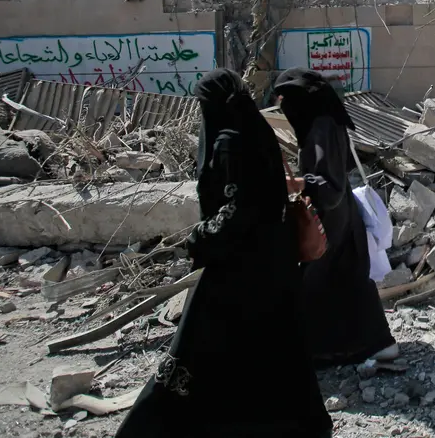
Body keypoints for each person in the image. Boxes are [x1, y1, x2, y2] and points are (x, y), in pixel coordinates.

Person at [115, 68, 332, 438]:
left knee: (196, 346)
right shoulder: (256, 130)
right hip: (273, 265)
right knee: (276, 347)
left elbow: (239, 210)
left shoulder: (229, 141)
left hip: (239, 269)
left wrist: (199, 237)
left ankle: (150, 428)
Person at [274, 67, 398, 368]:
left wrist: (298, 184)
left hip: (331, 219)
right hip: (340, 218)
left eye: (286, 102)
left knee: (318, 281)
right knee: (346, 279)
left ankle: (326, 350)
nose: (285, 110)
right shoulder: (326, 123)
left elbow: (328, 187)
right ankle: (375, 344)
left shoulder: (320, 129)